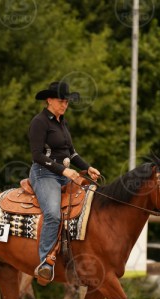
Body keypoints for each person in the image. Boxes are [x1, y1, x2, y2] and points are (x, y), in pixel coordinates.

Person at [28, 81, 101, 283]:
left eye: (67, 102)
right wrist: (64, 170)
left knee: (90, 207)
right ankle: (45, 263)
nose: (65, 105)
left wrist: (87, 167)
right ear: (49, 100)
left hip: (63, 174)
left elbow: (71, 152)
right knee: (53, 214)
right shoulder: (39, 122)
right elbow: (37, 155)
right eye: (61, 101)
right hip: (44, 174)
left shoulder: (62, 122)